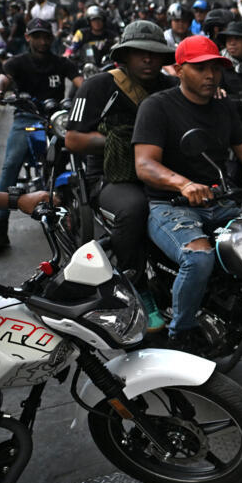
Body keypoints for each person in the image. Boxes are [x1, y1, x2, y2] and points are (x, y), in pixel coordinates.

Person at [132, 35, 242, 348]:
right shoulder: (157, 107)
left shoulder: (223, 107)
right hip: (169, 205)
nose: (211, 75)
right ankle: (181, 333)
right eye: (201, 68)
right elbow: (145, 164)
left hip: (218, 199)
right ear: (178, 69)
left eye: (216, 68)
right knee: (199, 259)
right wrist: (183, 184)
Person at [65, 20, 178, 331]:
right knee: (134, 208)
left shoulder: (170, 87)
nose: (148, 60)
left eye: (155, 54)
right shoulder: (98, 86)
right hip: (111, 178)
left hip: (161, 172)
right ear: (125, 55)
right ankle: (135, 283)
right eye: (140, 53)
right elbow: (73, 140)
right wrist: (126, 143)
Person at [0, 19, 83, 249]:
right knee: (10, 165)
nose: (42, 41)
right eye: (36, 36)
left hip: (56, 119)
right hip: (26, 119)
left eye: (46, 36)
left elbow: (81, 82)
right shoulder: (17, 63)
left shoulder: (61, 63)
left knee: (84, 148)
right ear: (27, 37)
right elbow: (3, 78)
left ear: (52, 38)